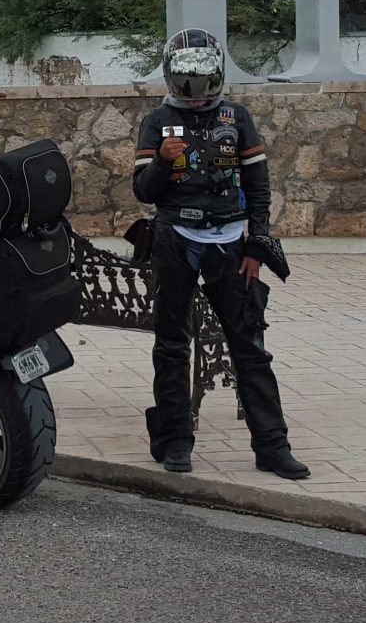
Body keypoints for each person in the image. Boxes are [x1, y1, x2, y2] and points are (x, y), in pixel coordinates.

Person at [130, 29, 310, 480]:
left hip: (230, 244)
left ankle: (272, 446)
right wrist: (162, 162)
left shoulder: (238, 116)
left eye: (203, 80)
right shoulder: (156, 122)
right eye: (186, 81)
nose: (195, 92)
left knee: (249, 347)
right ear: (172, 77)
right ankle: (175, 441)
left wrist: (257, 245)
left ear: (218, 75)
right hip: (176, 240)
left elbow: (259, 188)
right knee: (171, 346)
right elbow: (144, 192)